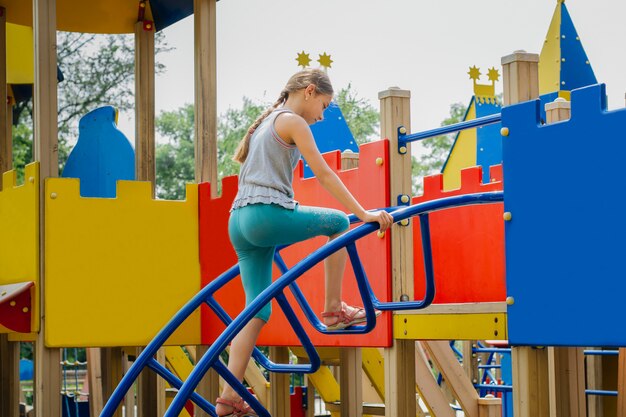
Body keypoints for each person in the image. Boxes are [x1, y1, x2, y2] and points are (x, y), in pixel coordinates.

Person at [216, 68, 393, 416]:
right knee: (339, 223)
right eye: (324, 106)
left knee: (257, 310)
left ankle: (227, 399)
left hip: (238, 221)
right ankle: (332, 309)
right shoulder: (292, 121)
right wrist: (365, 212)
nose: (322, 115)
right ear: (310, 91)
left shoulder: (266, 122)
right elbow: (324, 172)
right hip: (263, 215)